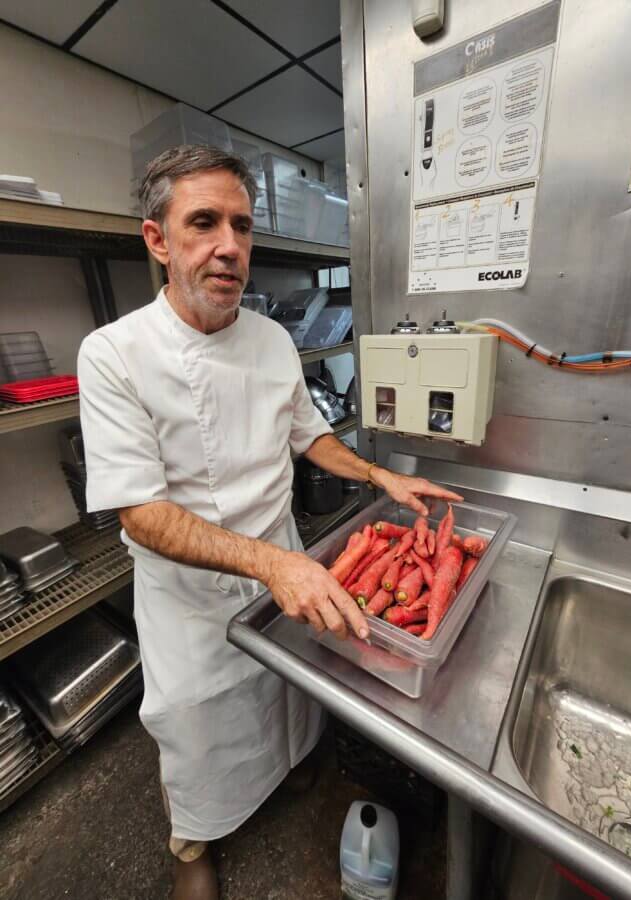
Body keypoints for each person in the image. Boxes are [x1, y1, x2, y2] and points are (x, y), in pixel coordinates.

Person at [77, 145, 461, 900]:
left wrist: (377, 471)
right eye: (203, 223)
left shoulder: (272, 340)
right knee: (192, 726)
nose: (229, 245)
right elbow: (142, 511)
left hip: (282, 566)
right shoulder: (113, 353)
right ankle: (192, 843)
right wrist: (273, 564)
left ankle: (279, 777)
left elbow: (305, 435)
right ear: (158, 240)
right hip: (189, 596)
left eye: (242, 226)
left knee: (282, 700)